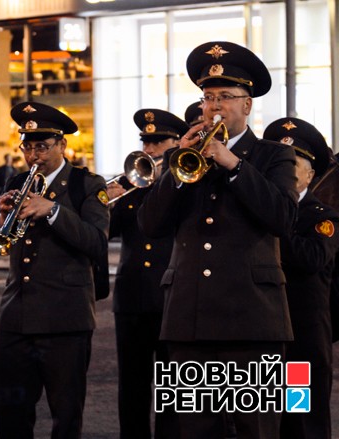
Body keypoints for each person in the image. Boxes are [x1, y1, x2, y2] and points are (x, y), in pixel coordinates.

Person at [138, 41, 298, 438]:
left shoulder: (273, 156)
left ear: (247, 105)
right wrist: (176, 169)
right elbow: (150, 224)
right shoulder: (184, 156)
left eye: (225, 97)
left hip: (253, 322)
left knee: (256, 430)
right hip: (188, 321)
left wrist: (231, 163)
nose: (214, 107)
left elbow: (283, 218)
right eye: (208, 97)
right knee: (194, 430)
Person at [0, 102, 110, 438]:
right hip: (16, 318)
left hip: (66, 320)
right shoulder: (17, 180)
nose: (33, 155)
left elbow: (96, 241)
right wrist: (0, 218)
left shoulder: (86, 184)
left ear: (62, 145)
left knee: (65, 416)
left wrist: (52, 211)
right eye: (27, 146)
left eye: (42, 146)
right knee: (8, 410)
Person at [107, 109, 188, 439]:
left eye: (159, 143)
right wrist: (107, 202)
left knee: (172, 386)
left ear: (174, 145)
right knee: (132, 384)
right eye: (147, 143)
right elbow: (107, 231)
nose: (151, 150)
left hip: (170, 296)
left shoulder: (181, 182)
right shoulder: (130, 184)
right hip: (133, 297)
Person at [264, 117, 339, 439]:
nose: (285, 170)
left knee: (301, 415)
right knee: (265, 418)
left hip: (301, 337)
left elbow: (312, 259)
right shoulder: (260, 208)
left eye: (293, 163)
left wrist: (275, 229)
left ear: (310, 174)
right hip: (263, 330)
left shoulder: (322, 217)